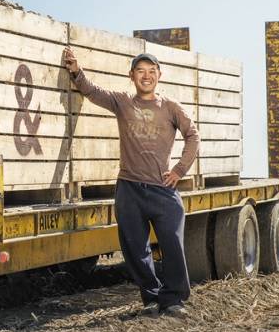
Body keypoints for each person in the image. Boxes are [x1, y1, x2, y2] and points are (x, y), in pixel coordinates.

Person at [62, 46, 199, 318]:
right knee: (135, 249)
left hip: (163, 190)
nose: (146, 76)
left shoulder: (171, 107)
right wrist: (76, 72)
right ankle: (150, 298)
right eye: (140, 71)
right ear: (132, 76)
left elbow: (192, 136)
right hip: (129, 189)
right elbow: (92, 91)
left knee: (172, 245)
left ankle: (173, 300)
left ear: (159, 75)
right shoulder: (123, 102)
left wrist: (179, 170)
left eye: (151, 71)